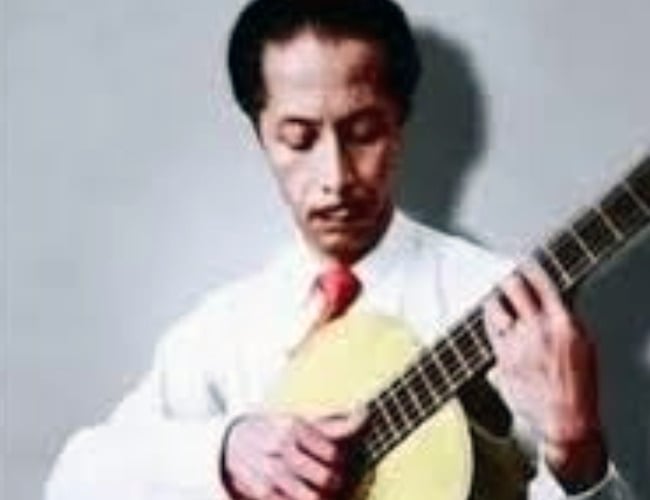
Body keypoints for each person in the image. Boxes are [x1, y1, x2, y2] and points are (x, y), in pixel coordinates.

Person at [46, 1, 635, 499]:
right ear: (261, 135)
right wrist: (223, 450)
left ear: (400, 124)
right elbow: (74, 481)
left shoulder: (514, 311)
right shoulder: (221, 332)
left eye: (363, 132)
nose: (335, 176)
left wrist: (578, 452)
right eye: (298, 138)